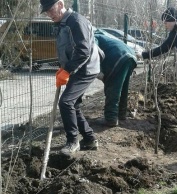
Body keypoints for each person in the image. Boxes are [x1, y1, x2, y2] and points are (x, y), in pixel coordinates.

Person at [40, 0, 100, 154]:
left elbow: (83, 51)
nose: (49, 14)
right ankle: (90, 139)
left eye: (51, 10)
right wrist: (63, 68)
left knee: (66, 102)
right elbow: (68, 48)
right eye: (46, 12)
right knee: (73, 105)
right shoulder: (62, 23)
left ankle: (72, 141)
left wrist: (67, 70)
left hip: (85, 68)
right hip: (77, 68)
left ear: (60, 4)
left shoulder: (75, 21)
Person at [94, 30, 138, 127]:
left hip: (118, 57)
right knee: (123, 87)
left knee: (113, 89)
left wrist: (98, 70)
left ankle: (111, 118)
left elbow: (94, 49)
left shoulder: (93, 36)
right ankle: (121, 114)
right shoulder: (107, 38)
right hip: (131, 56)